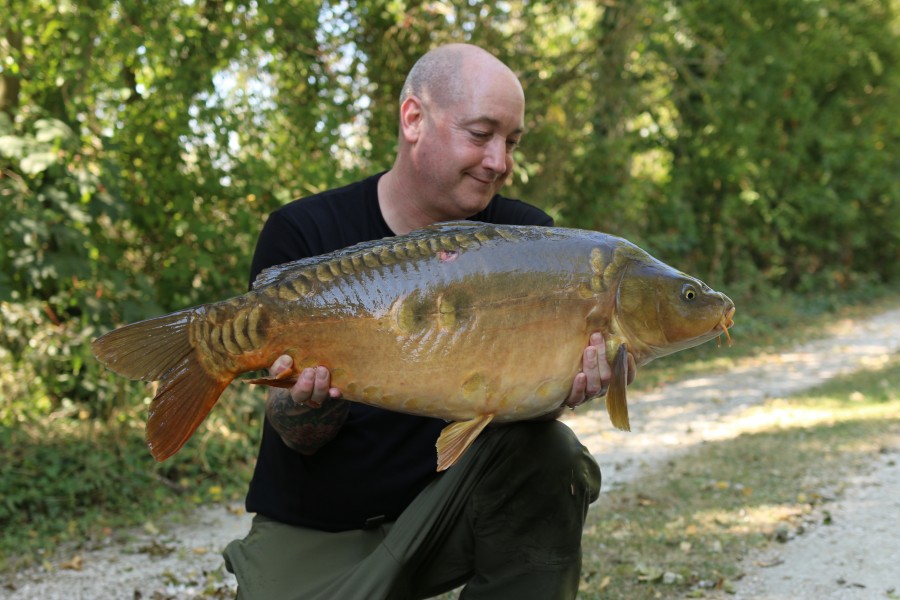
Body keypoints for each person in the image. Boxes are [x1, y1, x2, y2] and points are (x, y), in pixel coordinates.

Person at [224, 43, 627, 600]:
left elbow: (520, 416)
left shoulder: (528, 240)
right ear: (414, 119)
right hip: (320, 529)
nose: (500, 162)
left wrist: (561, 383)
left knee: (553, 455)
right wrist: (311, 399)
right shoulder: (306, 230)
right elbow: (298, 437)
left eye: (511, 142)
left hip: (446, 514)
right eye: (482, 134)